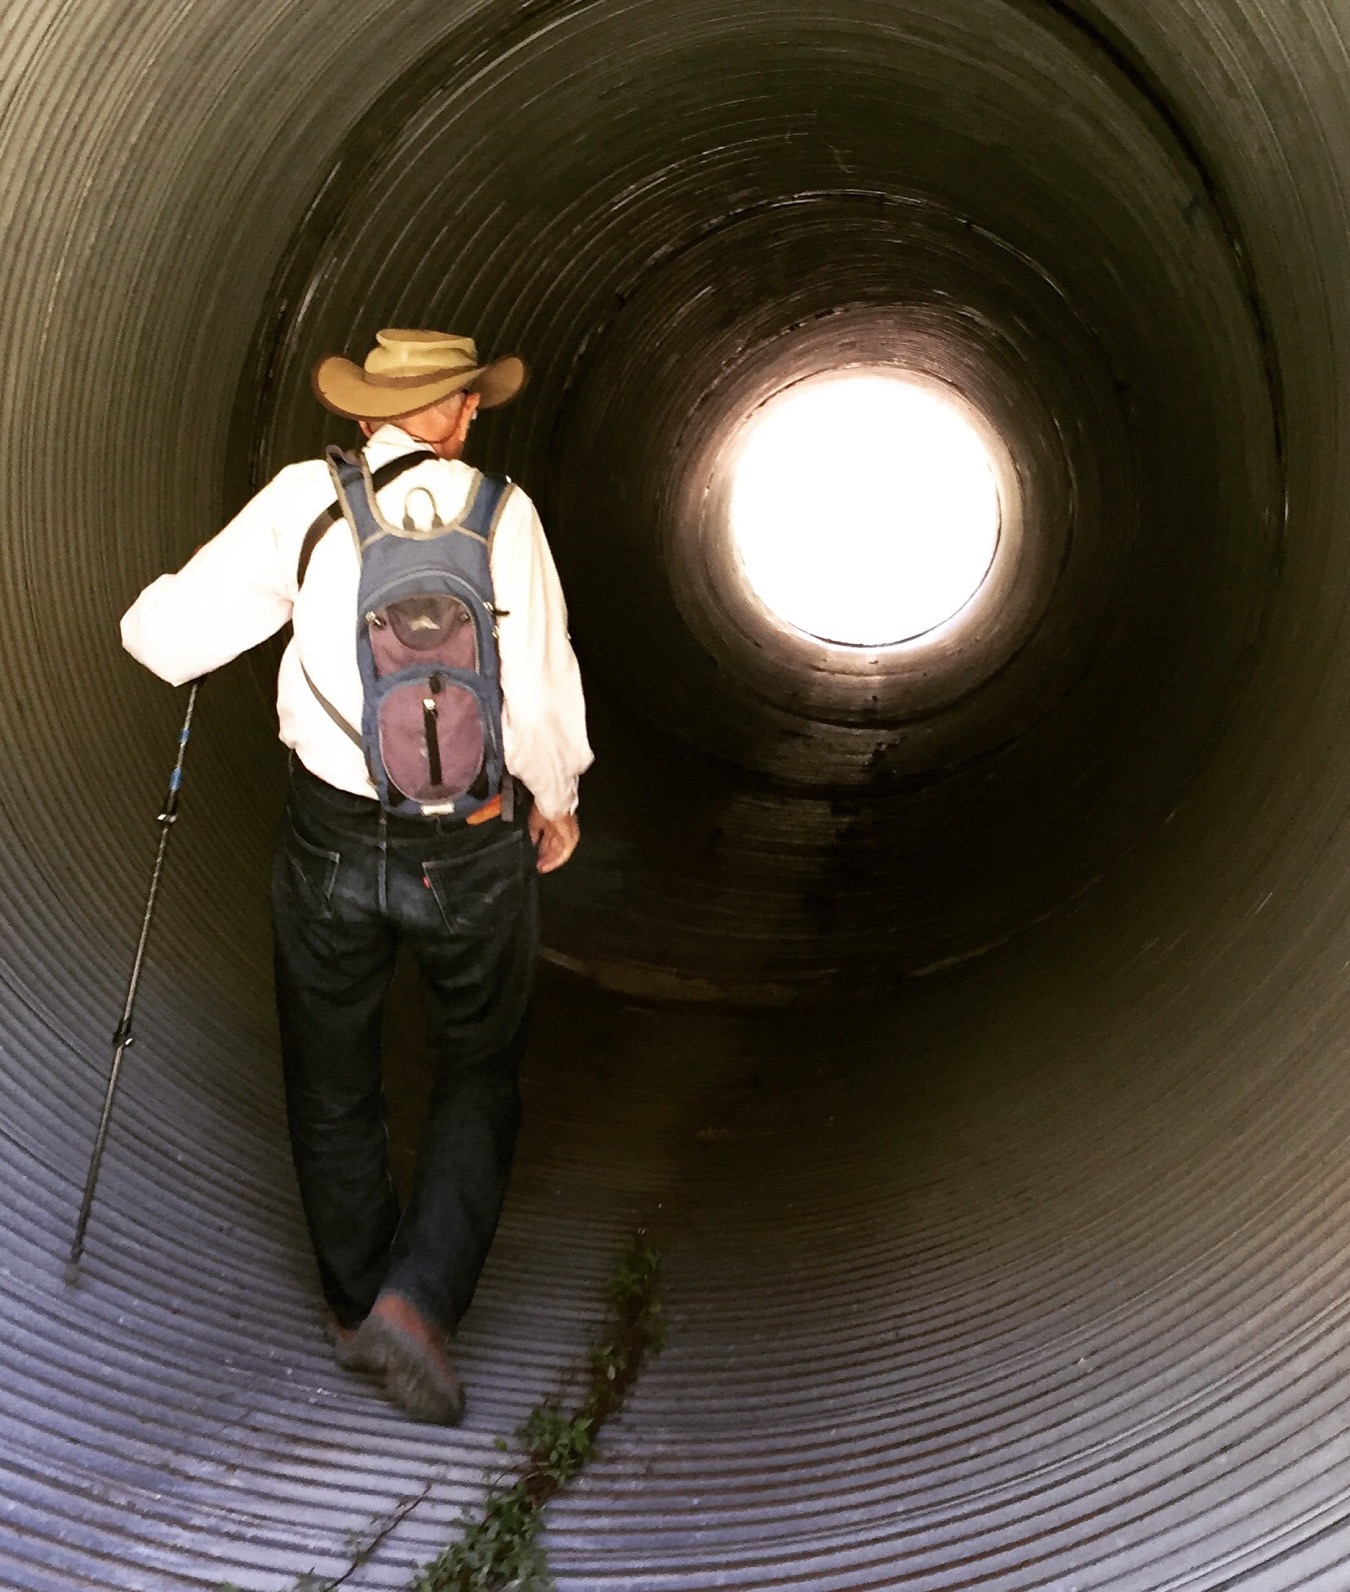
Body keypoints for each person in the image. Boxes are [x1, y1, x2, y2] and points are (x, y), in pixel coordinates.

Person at [120, 328, 592, 1424]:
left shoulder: (306, 499)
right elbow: (540, 683)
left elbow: (165, 639)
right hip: (471, 845)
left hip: (331, 835)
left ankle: (352, 1298)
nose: (474, 417)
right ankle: (417, 1305)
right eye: (461, 402)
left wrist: (163, 592)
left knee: (332, 1076)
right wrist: (557, 802)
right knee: (479, 1070)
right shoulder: (503, 513)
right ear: (425, 410)